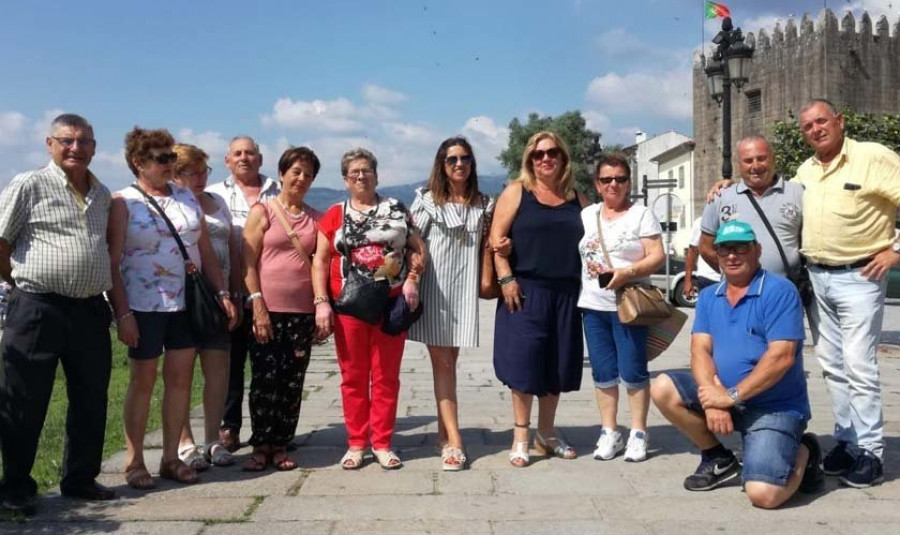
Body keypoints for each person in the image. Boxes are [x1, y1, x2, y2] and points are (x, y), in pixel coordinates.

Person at [650, 220, 824, 509]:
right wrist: (712, 396)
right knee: (662, 387)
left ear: (756, 250)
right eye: (724, 249)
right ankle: (718, 457)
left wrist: (730, 396)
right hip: (725, 396)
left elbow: (781, 357)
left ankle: (805, 450)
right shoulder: (709, 296)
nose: (732, 256)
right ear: (716, 255)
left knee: (764, 494)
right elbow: (700, 351)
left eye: (741, 248)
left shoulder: (780, 292)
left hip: (773, 407)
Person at [108, 127, 237, 490]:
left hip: (184, 302)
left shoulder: (185, 197)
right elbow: (113, 261)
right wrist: (123, 313)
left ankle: (170, 457)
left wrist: (222, 292)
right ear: (139, 162)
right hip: (144, 305)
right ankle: (134, 461)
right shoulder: (123, 202)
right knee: (143, 380)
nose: (170, 164)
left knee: (180, 380)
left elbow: (206, 253)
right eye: (162, 158)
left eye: (171, 157)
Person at [0, 114, 115, 515]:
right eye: (66, 141)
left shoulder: (103, 194)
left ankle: (80, 478)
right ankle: (16, 485)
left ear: (95, 148)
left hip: (88, 309)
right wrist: (18, 284)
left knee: (90, 397)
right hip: (37, 305)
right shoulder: (28, 185)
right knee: (26, 397)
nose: (75, 148)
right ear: (50, 144)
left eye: (84, 141)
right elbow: (1, 241)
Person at [794, 99, 900, 488]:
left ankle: (871, 452)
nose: (815, 130)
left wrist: (895, 252)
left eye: (821, 121)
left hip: (860, 275)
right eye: (807, 126)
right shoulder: (805, 170)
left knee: (858, 364)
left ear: (840, 120)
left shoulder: (872, 157)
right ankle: (847, 440)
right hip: (817, 277)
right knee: (832, 365)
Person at [312, 148, 426, 470]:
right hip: (350, 307)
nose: (361, 176)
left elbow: (419, 248)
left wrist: (413, 278)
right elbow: (320, 260)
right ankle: (356, 442)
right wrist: (322, 302)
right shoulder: (335, 214)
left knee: (387, 377)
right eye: (354, 172)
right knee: (353, 376)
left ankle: (383, 442)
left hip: (391, 304)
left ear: (377, 175)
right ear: (346, 180)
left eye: (366, 170)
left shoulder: (396, 209)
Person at [490, 131, 586, 468]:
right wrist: (506, 279)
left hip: (566, 293)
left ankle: (546, 434)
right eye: (537, 154)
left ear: (563, 158)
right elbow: (496, 240)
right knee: (524, 364)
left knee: (557, 365)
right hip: (526, 290)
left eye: (552, 152)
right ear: (529, 160)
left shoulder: (577, 198)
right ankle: (520, 436)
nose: (545, 159)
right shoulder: (517, 192)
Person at [408, 137, 494, 471]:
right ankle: (455, 443)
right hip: (436, 294)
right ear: (441, 165)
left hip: (464, 295)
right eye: (452, 159)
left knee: (449, 366)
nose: (459, 164)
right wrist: (413, 278)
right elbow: (411, 242)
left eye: (465, 158)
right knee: (443, 365)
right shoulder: (427, 201)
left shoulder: (484, 204)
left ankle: (444, 434)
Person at [577, 154, 665, 463]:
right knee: (603, 372)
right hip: (592, 304)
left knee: (633, 370)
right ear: (597, 185)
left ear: (628, 183)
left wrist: (627, 273)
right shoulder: (588, 215)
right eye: (606, 179)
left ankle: (639, 432)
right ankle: (609, 431)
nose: (613, 184)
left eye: (619, 179)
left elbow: (657, 255)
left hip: (628, 304)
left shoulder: (641, 214)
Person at [241, 147, 322, 472]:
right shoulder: (264, 211)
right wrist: (256, 301)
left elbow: (322, 263)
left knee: (292, 380)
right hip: (267, 309)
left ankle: (282, 443)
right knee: (264, 378)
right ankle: (261, 444)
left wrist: (321, 307)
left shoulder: (316, 218)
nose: (301, 178)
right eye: (296, 172)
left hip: (302, 312)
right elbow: (247, 260)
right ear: (282, 174)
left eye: (308, 174)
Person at [207, 136, 280, 453]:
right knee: (231, 362)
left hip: (271, 289)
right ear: (227, 161)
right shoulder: (214, 195)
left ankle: (268, 429)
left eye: (250, 153)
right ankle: (229, 427)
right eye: (237, 153)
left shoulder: (278, 190)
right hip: (230, 290)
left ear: (260, 159)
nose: (244, 158)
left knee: (268, 364)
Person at [172, 144, 239, 470]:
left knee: (218, 370)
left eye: (204, 171)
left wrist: (227, 291)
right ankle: (184, 441)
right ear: (175, 173)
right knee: (180, 373)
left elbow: (228, 245)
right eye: (192, 172)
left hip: (217, 290)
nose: (200, 178)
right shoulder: (171, 204)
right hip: (183, 294)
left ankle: (213, 438)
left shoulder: (217, 201)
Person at [699, 136, 804, 280]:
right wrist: (734, 273)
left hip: (785, 292)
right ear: (739, 165)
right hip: (738, 294)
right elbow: (705, 248)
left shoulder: (797, 193)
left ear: (774, 159)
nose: (755, 166)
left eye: (761, 158)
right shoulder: (719, 198)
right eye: (748, 161)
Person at [682, 217, 719, 300]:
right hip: (708, 278)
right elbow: (692, 251)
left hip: (733, 278)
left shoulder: (737, 218)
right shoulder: (701, 222)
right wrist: (687, 281)